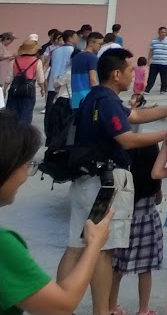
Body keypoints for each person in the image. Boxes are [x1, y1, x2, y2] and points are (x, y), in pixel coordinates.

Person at [57, 48, 167, 315]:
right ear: (116, 74)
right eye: (129, 70)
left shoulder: (94, 97)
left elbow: (135, 116)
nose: (133, 75)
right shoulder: (108, 101)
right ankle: (102, 311)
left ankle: (57, 308)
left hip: (85, 180)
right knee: (103, 249)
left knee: (76, 246)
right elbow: (127, 139)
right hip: (105, 185)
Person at [0, 111, 113, 315]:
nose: (26, 175)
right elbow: (61, 306)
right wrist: (94, 243)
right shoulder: (4, 245)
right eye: (27, 164)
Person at [108, 143, 164, 315]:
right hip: (147, 223)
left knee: (116, 268)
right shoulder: (152, 182)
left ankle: (111, 307)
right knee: (145, 270)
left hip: (124, 223)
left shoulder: (124, 176)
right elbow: (158, 200)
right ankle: (144, 309)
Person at [5, 36, 45, 126]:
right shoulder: (37, 62)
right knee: (26, 112)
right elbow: (40, 78)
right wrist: (42, 89)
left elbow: (9, 78)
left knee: (12, 112)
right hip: (29, 88)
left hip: (15, 88)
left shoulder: (14, 61)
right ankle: (24, 131)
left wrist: (4, 90)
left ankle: (12, 130)